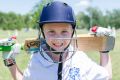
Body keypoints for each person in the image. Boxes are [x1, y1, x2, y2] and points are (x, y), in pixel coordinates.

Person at [2, 1, 112, 80]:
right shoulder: (37, 60)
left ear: (72, 31)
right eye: (51, 32)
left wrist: (105, 49)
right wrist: (10, 62)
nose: (58, 39)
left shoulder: (80, 59)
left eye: (64, 32)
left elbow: (105, 77)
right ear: (43, 32)